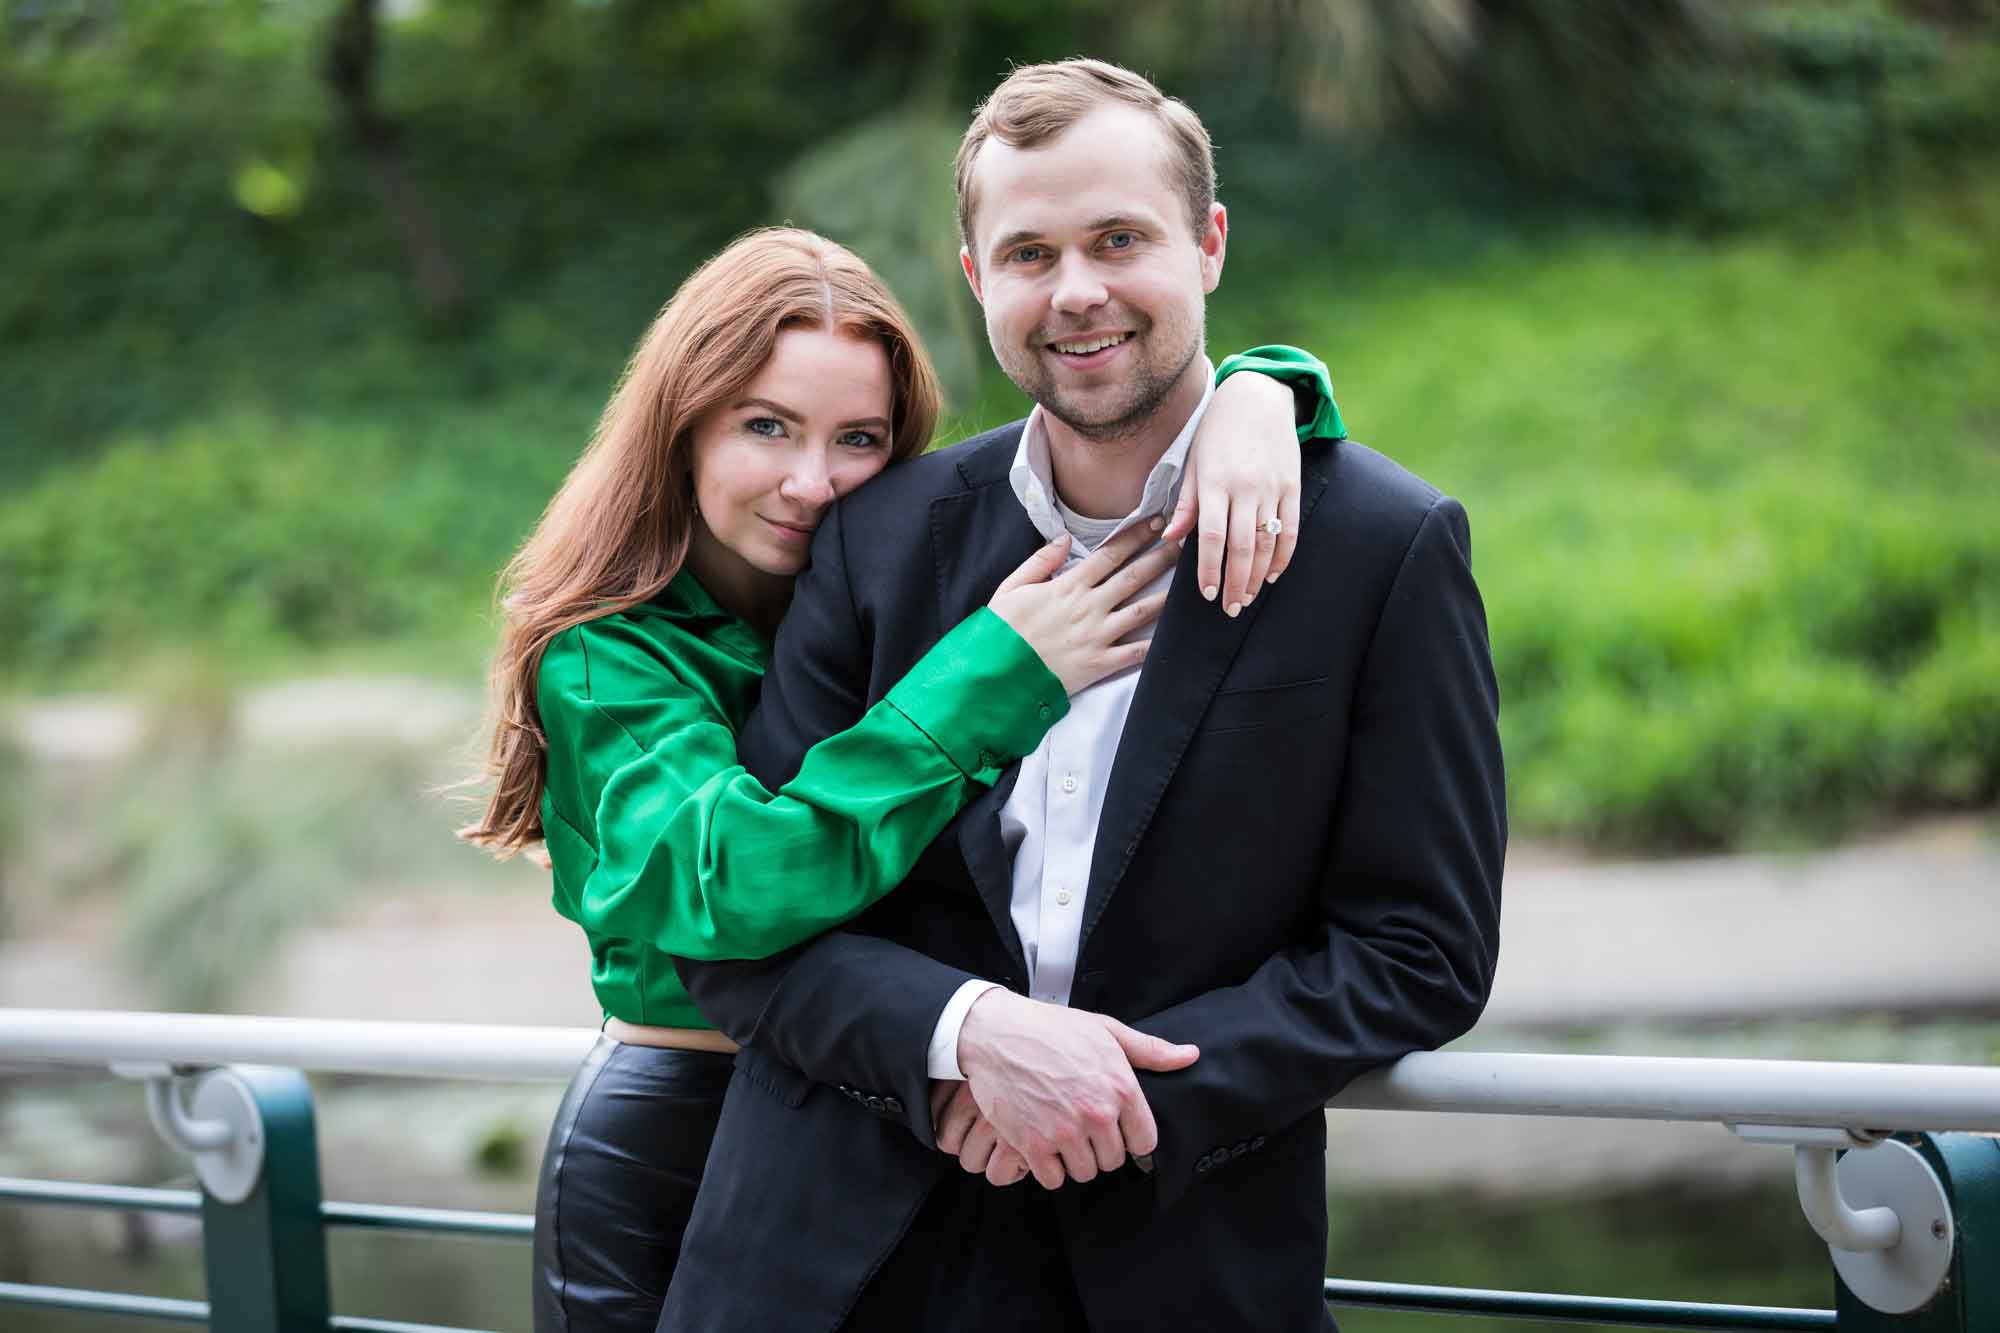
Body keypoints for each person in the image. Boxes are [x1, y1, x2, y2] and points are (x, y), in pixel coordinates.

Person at [661, 60, 1506, 1333]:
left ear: (1207, 244)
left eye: (1118, 239)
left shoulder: (1381, 546)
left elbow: (1418, 950)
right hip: (821, 1273)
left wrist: (1117, 1099)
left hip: (1175, 1261)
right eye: (1028, 253)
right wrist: (963, 1038)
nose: (1076, 292)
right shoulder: (873, 538)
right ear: (974, 280)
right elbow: (736, 925)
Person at [457, 226, 1340, 1331]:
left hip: (894, 1138)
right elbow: (732, 883)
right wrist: (991, 678)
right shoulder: (609, 657)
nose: (810, 481)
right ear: (680, 424)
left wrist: (1264, 390)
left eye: (858, 438)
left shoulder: (885, 585)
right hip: (681, 1145)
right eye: (765, 426)